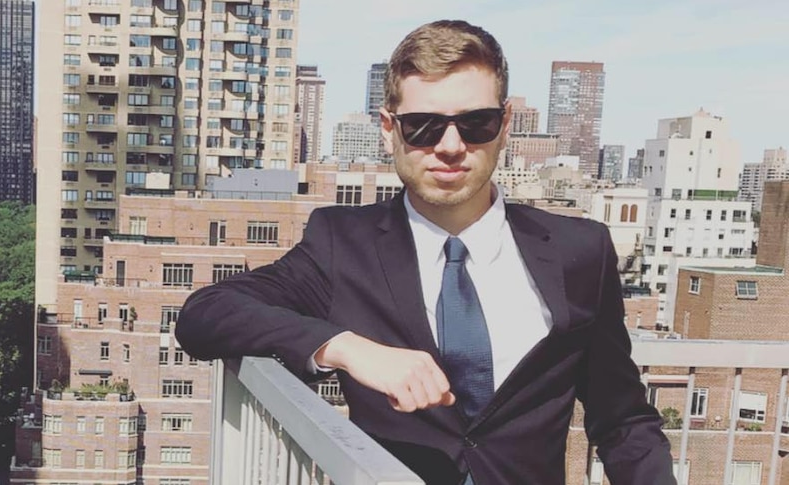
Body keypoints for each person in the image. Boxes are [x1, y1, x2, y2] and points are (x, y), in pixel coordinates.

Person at [177, 19, 675, 485]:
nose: (451, 146)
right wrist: (349, 349)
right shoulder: (341, 243)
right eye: (423, 126)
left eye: (475, 123)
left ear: (504, 125)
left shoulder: (579, 250)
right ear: (389, 128)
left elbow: (622, 418)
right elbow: (205, 314)